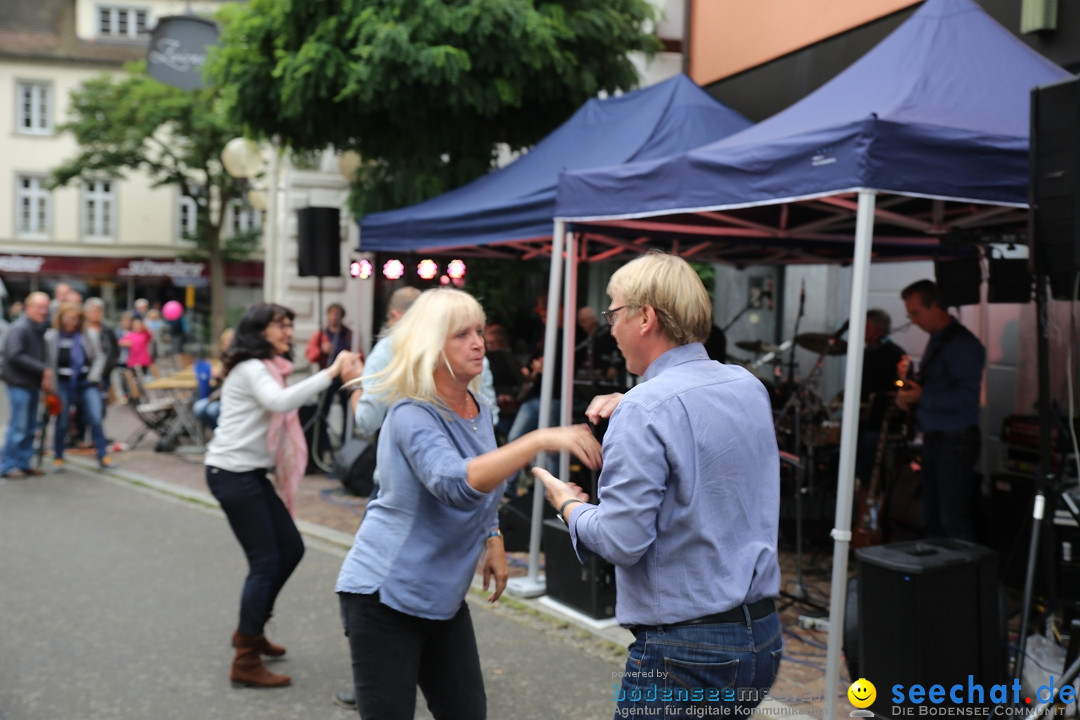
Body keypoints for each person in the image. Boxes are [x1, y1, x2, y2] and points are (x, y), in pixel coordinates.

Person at [534, 253, 783, 717]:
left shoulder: (645, 408)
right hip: (762, 637)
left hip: (687, 650)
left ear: (645, 317)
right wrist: (633, 399)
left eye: (613, 311)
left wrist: (568, 506)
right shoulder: (748, 386)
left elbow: (621, 540)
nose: (609, 326)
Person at [334, 288, 601, 719]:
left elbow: (484, 483)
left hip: (442, 597)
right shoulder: (411, 413)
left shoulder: (477, 406)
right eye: (462, 334)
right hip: (384, 596)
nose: (478, 342)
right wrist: (537, 439)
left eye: (478, 330)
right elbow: (453, 483)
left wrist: (493, 535)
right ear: (431, 345)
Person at [203, 303, 356, 688]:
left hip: (248, 474)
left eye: (290, 324)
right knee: (266, 561)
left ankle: (250, 631)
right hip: (232, 473)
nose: (289, 331)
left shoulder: (266, 367)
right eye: (281, 325)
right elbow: (280, 402)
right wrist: (331, 373)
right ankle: (245, 658)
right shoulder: (253, 369)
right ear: (259, 330)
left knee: (290, 548)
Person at [896, 279, 985, 541]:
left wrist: (923, 396)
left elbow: (967, 397)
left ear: (936, 306)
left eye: (916, 313)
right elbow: (938, 384)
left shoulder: (962, 344)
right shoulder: (939, 339)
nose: (913, 321)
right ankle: (941, 578)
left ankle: (966, 578)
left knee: (952, 518)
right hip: (937, 438)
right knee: (933, 516)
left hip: (955, 441)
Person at [46, 302, 113, 471]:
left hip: (86, 382)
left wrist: (93, 376)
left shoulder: (87, 334)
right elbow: (48, 363)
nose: (72, 322)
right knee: (62, 422)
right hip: (63, 383)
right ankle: (58, 457)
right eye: (68, 318)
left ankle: (103, 456)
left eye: (75, 319)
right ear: (61, 318)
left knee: (96, 418)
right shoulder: (52, 337)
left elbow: (99, 357)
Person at [0, 292, 53, 478]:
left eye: (46, 307)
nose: (44, 311)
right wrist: (42, 369)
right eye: (40, 307)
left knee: (30, 426)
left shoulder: (36, 329)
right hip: (19, 384)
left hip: (31, 384)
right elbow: (14, 355)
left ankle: (23, 462)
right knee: (19, 426)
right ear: (28, 307)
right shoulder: (20, 328)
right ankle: (8, 465)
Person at [305, 302, 355, 446]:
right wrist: (321, 350)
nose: (334, 317)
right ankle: (322, 443)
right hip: (328, 374)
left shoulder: (347, 334)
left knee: (348, 410)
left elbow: (357, 352)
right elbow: (311, 355)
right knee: (323, 410)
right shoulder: (321, 334)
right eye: (332, 313)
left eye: (337, 314)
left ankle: (347, 442)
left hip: (344, 376)